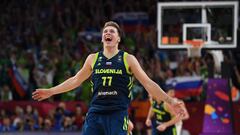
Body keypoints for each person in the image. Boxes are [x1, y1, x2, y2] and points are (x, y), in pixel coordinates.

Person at [32, 21, 186, 135]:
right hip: (95, 113)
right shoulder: (93, 58)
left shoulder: (128, 59)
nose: (108, 33)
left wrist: (171, 101)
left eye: (112, 31)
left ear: (118, 38)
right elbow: (75, 80)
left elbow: (148, 83)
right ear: (101, 39)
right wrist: (51, 91)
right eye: (105, 31)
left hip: (117, 113)